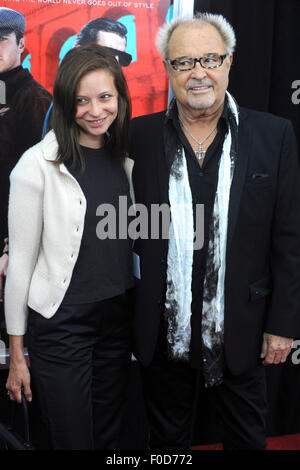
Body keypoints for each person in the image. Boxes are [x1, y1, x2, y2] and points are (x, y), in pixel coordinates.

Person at [130, 12, 300, 450]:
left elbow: (289, 238)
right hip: (163, 333)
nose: (198, 73)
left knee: (247, 440)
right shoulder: (139, 137)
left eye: (209, 58)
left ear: (229, 62)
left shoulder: (273, 135)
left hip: (241, 331)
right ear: (168, 69)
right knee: (166, 446)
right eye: (184, 62)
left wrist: (283, 324)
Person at [5, 44, 134, 450]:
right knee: (72, 440)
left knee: (110, 436)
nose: (95, 110)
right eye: (81, 100)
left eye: (105, 97)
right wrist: (17, 353)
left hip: (116, 321)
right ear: (65, 102)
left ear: (120, 98)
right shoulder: (36, 165)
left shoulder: (128, 161)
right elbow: (20, 266)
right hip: (62, 327)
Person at [0, 7, 52, 304]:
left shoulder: (37, 101)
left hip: (10, 254)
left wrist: (11, 250)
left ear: (21, 45)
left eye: (2, 39)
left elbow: (39, 188)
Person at [42, 17, 132, 136]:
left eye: (121, 57)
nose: (115, 63)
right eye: (106, 53)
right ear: (80, 52)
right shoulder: (62, 108)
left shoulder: (118, 104)